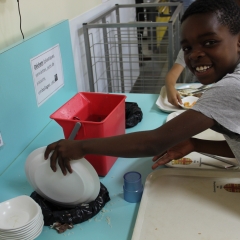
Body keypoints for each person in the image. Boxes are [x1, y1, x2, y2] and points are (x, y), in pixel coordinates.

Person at [44, 0, 240, 176]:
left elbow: (153, 142)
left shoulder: (230, 88)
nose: (195, 54)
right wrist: (195, 144)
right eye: (187, 48)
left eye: (210, 42)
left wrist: (81, 146)